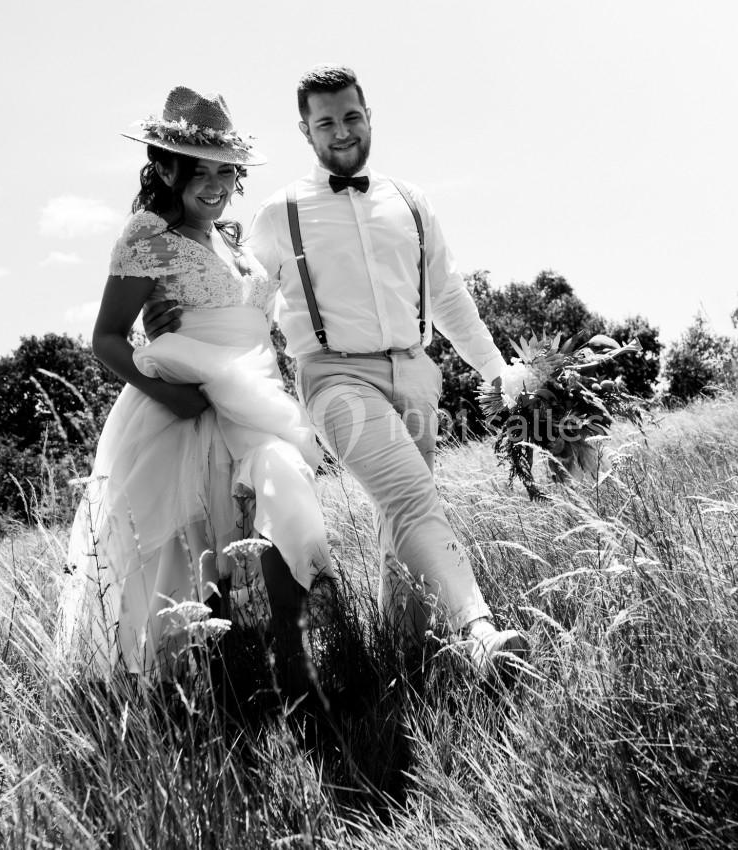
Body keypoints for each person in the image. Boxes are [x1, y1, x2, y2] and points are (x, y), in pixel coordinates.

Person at [147, 66, 529, 675]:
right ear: (306, 131)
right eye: (325, 122)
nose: (342, 131)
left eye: (351, 116)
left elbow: (449, 295)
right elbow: (243, 298)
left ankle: (409, 656)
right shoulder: (280, 213)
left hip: (416, 370)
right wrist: (179, 322)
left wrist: (494, 369)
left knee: (399, 518)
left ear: (369, 116)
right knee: (413, 497)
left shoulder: (411, 201)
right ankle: (479, 631)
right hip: (334, 378)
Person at [56, 86, 334, 681]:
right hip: (185, 405)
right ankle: (193, 685)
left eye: (225, 171)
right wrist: (173, 395)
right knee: (192, 549)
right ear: (164, 168)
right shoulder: (147, 236)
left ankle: (300, 671)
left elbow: (248, 321)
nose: (215, 184)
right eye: (199, 171)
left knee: (285, 494)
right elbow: (106, 338)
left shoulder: (232, 240)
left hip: (255, 402)